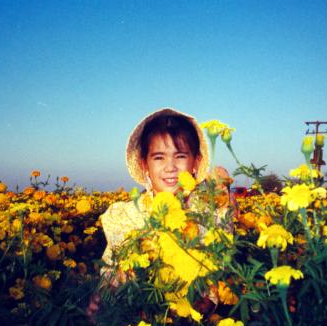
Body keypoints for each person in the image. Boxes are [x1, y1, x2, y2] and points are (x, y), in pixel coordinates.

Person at [99, 108, 233, 286]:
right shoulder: (125, 216)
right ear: (144, 164)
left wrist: (207, 300)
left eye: (180, 156)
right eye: (159, 158)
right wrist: (105, 294)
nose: (170, 167)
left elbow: (219, 273)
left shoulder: (213, 216)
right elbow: (112, 270)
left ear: (196, 162)